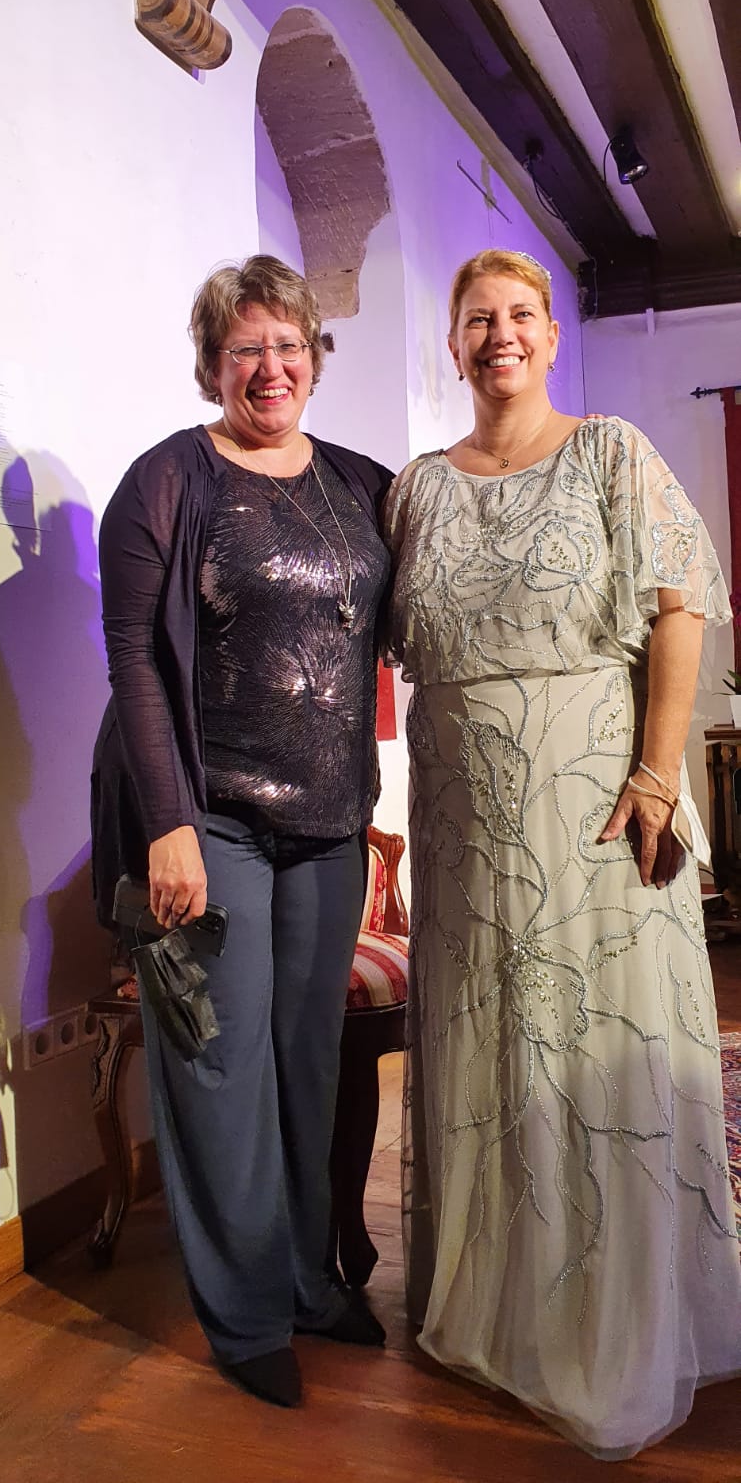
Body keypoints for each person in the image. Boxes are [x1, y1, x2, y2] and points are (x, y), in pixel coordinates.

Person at [383, 247, 741, 1459]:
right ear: (452, 342)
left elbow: (679, 604)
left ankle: (610, 1316)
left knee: (594, 1050)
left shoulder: (611, 453)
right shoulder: (417, 488)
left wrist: (657, 773)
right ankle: (500, 1307)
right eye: (478, 317)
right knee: (491, 1048)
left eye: (522, 314)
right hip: (463, 832)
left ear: (549, 334)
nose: (501, 334)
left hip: (595, 813)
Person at [91, 255, 393, 1409]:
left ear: (314, 357)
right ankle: (248, 1311)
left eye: (287, 345)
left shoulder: (361, 483)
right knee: (216, 1061)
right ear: (213, 365)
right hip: (208, 822)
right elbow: (134, 661)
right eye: (244, 348)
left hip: (329, 825)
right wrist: (167, 823)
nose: (270, 366)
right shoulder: (168, 481)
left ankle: (312, 1282)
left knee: (305, 1063)